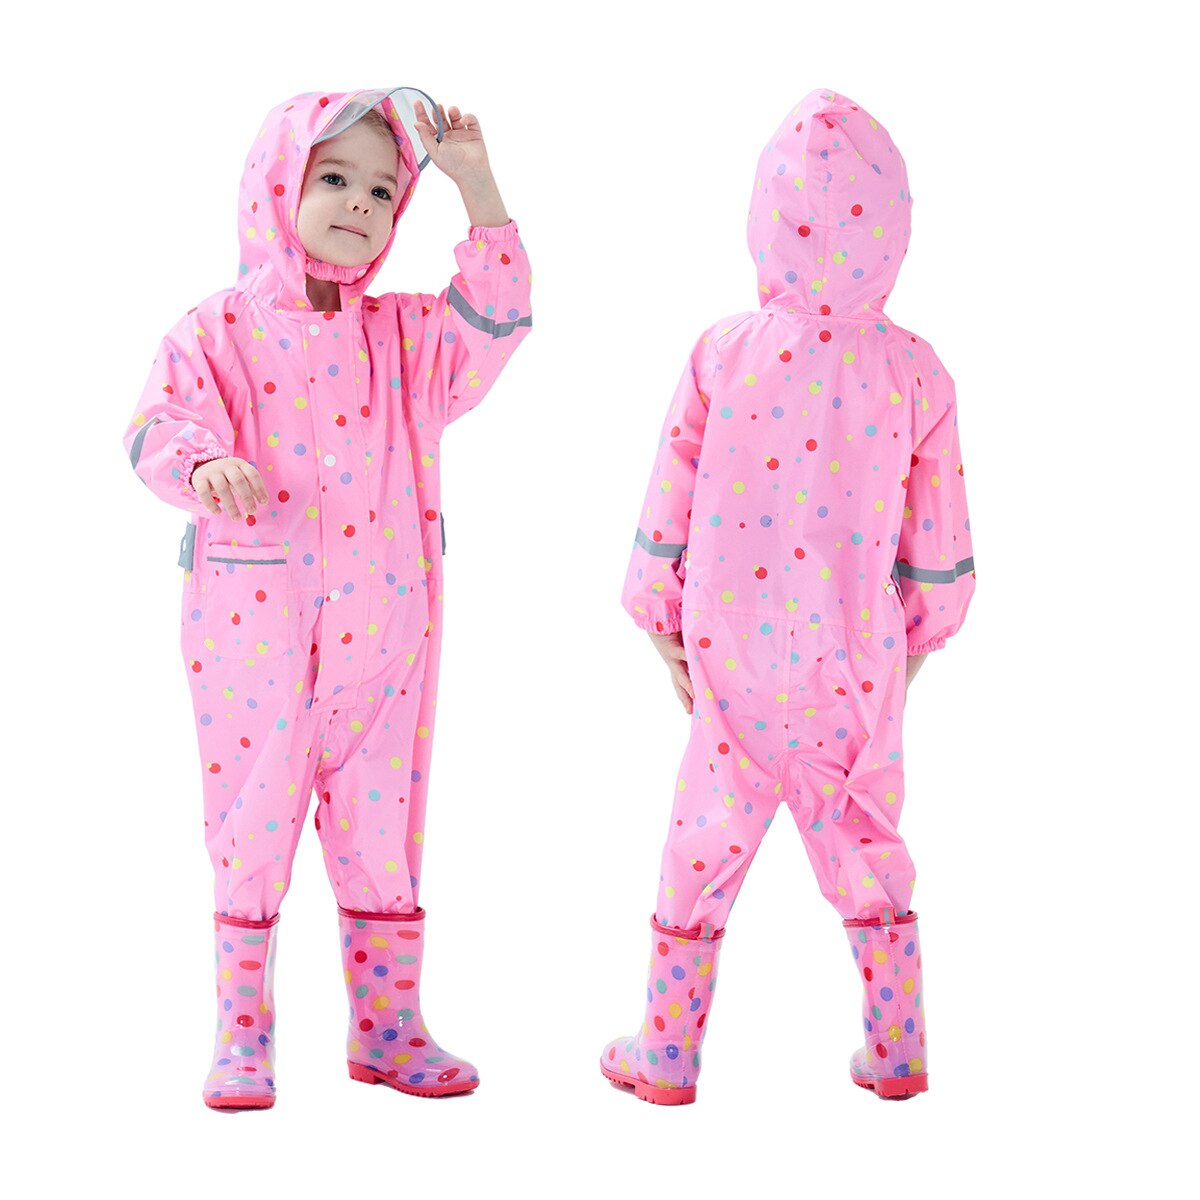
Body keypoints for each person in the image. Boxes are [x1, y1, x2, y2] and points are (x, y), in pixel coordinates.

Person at [122, 87, 532, 1111]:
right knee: (249, 826)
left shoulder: (406, 338)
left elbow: (498, 319)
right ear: (278, 184)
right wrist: (204, 464)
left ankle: (388, 1032)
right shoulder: (215, 331)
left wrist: (476, 187)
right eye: (335, 177)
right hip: (253, 635)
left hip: (386, 641)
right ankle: (242, 1036)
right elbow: (156, 424)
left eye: (384, 191)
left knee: (384, 832)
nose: (360, 202)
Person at [600, 88, 975, 1105]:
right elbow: (938, 542)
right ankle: (898, 1051)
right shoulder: (917, 372)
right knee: (865, 839)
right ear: (894, 228)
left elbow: (671, 495)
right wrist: (914, 649)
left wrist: (661, 620)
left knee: (702, 841)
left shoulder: (723, 351)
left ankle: (667, 1053)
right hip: (853, 655)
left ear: (765, 218)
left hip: (733, 649)